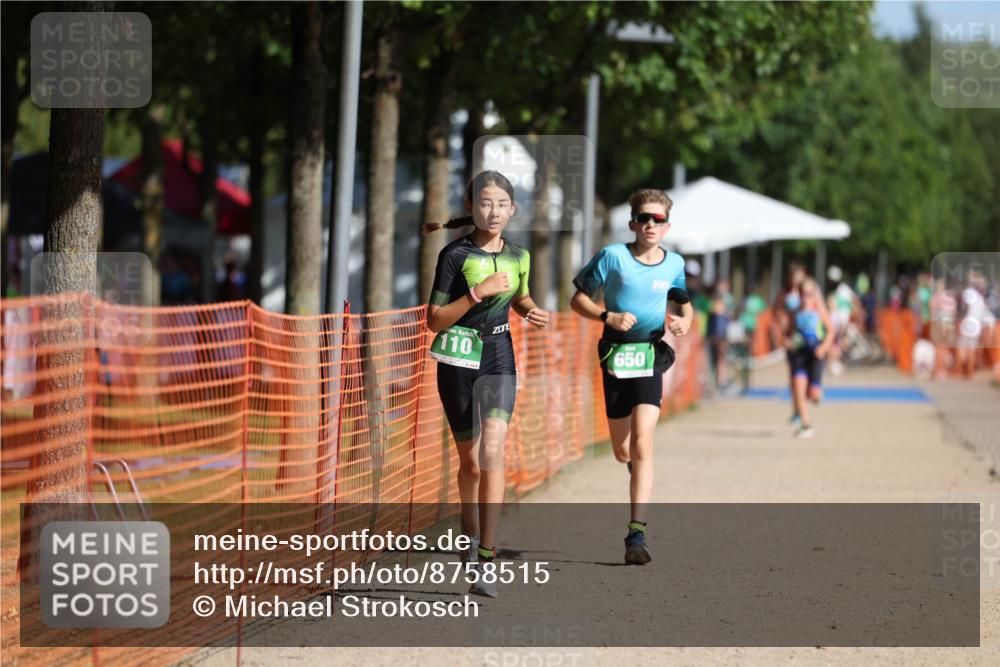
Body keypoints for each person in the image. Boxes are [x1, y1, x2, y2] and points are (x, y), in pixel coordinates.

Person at [424, 170, 549, 597]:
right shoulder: (455, 256)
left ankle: (487, 558)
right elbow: (434, 320)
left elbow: (519, 295)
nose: (492, 211)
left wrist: (531, 309)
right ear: (470, 207)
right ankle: (469, 525)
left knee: (495, 451)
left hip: (498, 355)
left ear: (513, 209)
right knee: (472, 463)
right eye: (484, 203)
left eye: (501, 204)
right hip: (458, 357)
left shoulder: (520, 256)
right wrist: (476, 294)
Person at [570, 188, 693, 565]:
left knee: (643, 443)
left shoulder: (674, 264)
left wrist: (683, 323)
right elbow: (577, 299)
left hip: (650, 355)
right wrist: (607, 316)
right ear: (632, 223)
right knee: (623, 451)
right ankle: (636, 469)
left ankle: (636, 535)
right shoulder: (612, 256)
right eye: (644, 218)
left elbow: (686, 307)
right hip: (615, 355)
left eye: (658, 220)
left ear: (667, 226)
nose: (650, 225)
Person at [784, 278, 833, 438]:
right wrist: (787, 341)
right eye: (803, 294)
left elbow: (831, 331)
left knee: (813, 396)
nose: (806, 297)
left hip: (815, 356)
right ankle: (806, 425)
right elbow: (788, 333)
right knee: (798, 388)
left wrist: (824, 347)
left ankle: (816, 393)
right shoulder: (795, 313)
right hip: (800, 355)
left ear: (815, 295)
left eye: (809, 294)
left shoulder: (819, 312)